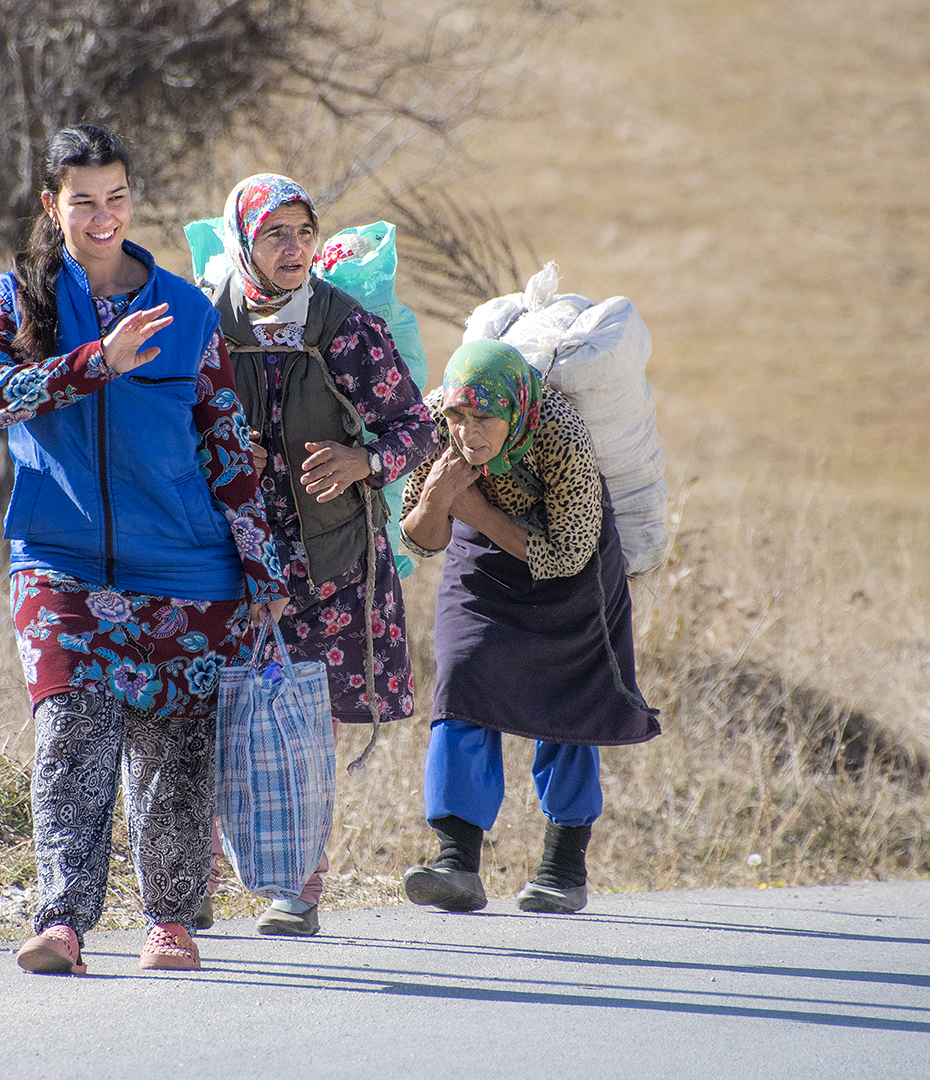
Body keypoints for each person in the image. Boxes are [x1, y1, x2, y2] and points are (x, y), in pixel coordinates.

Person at [0, 125, 288, 975]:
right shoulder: (16, 297)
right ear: (52, 205)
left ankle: (169, 923)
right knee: (70, 734)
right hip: (59, 559)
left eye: (116, 197)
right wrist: (93, 364)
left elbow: (224, 443)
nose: (103, 216)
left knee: (174, 755)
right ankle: (62, 923)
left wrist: (263, 566)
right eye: (84, 201)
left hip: (188, 567)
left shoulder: (186, 311)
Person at [201, 173, 438, 935]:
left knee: (304, 728)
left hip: (327, 563)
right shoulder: (205, 323)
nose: (293, 247)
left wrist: (361, 460)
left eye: (304, 232)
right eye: (275, 233)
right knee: (209, 716)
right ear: (244, 241)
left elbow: (418, 428)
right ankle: (195, 878)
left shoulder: (344, 326)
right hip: (224, 556)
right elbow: (164, 425)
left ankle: (300, 886)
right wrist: (224, 455)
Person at [399, 340, 661, 914]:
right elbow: (419, 540)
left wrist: (473, 510)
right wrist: (438, 498)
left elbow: (566, 555)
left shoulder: (559, 433)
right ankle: (455, 863)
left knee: (568, 703)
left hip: (570, 569)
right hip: (482, 563)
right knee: (462, 679)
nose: (467, 432)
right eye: (458, 416)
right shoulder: (436, 424)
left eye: (483, 418)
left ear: (515, 410)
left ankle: (563, 870)